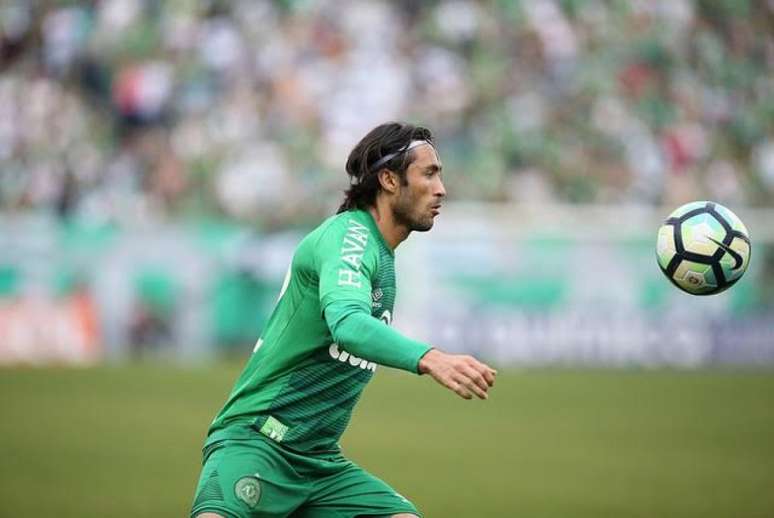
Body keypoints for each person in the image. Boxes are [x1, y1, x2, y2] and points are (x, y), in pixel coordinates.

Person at [191, 122, 497, 518]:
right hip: (258, 443)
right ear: (389, 179)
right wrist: (430, 358)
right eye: (429, 173)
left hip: (318, 465)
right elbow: (349, 325)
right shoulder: (350, 237)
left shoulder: (383, 257)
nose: (441, 189)